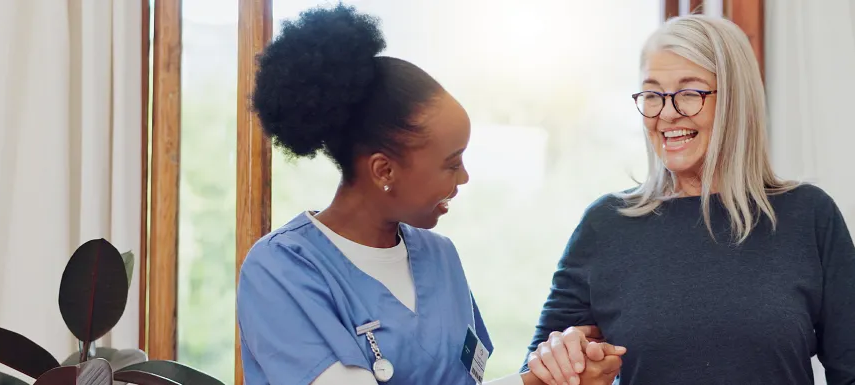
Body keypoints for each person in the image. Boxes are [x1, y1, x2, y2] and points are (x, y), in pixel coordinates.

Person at [234, 4, 623, 385]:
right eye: (451, 164)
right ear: (384, 170)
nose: (465, 177)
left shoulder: (441, 258)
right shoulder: (280, 270)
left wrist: (560, 374)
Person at [521, 14, 855, 385]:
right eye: (652, 94)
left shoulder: (809, 216)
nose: (666, 114)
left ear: (735, 100)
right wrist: (560, 358)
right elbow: (537, 373)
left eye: (689, 93)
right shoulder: (605, 225)